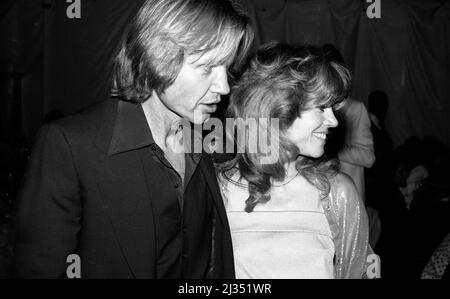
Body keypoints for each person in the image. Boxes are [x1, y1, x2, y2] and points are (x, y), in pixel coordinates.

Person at [12, 0, 253, 278]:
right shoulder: (71, 146)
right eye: (207, 67)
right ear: (158, 55)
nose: (223, 87)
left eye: (226, 68)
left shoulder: (206, 141)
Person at [217, 43, 378, 279]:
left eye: (332, 108)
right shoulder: (219, 189)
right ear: (278, 108)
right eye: (322, 107)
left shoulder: (335, 193)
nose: (333, 121)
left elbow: (362, 272)